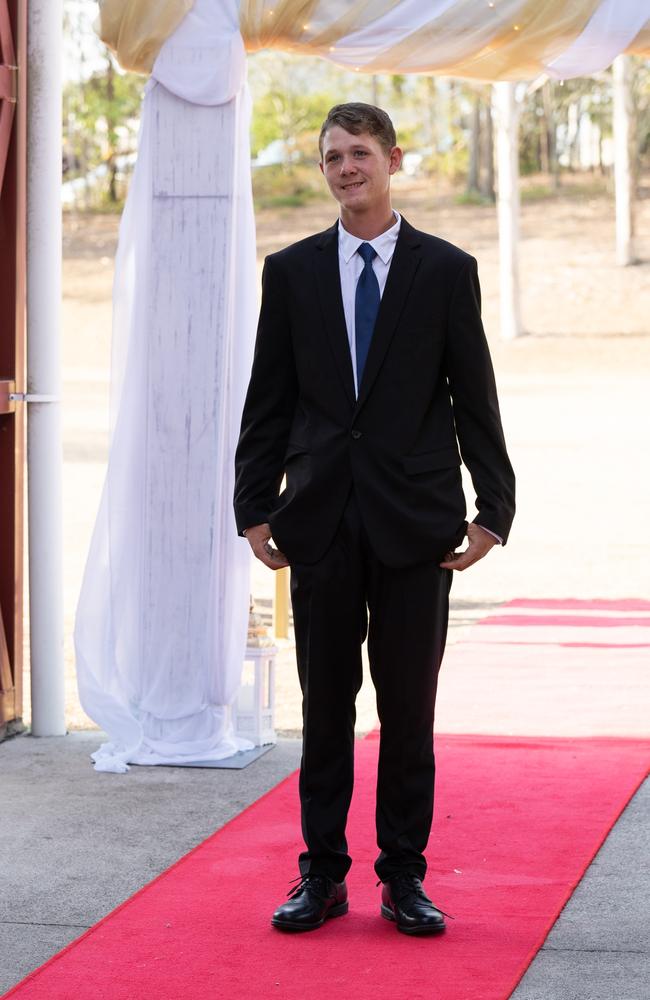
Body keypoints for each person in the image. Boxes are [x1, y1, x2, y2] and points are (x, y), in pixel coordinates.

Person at [234, 103, 515, 936]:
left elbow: (475, 398)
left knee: (408, 714)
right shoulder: (290, 272)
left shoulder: (445, 270)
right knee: (324, 712)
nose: (346, 168)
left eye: (359, 153)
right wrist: (255, 505)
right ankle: (321, 876)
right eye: (331, 157)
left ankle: (404, 879)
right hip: (318, 520)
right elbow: (268, 401)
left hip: (415, 523)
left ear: (393, 158)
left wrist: (493, 509)